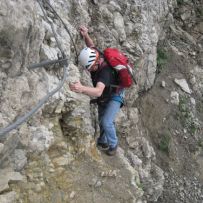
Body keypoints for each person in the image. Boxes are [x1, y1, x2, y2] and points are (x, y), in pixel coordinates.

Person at [69, 26, 125, 156]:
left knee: (107, 121)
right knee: (101, 120)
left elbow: (98, 91)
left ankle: (113, 144)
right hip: (107, 93)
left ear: (95, 63)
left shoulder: (104, 72)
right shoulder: (97, 55)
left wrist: (81, 88)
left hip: (116, 95)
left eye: (90, 68)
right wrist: (86, 35)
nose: (89, 70)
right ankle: (103, 140)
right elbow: (91, 46)